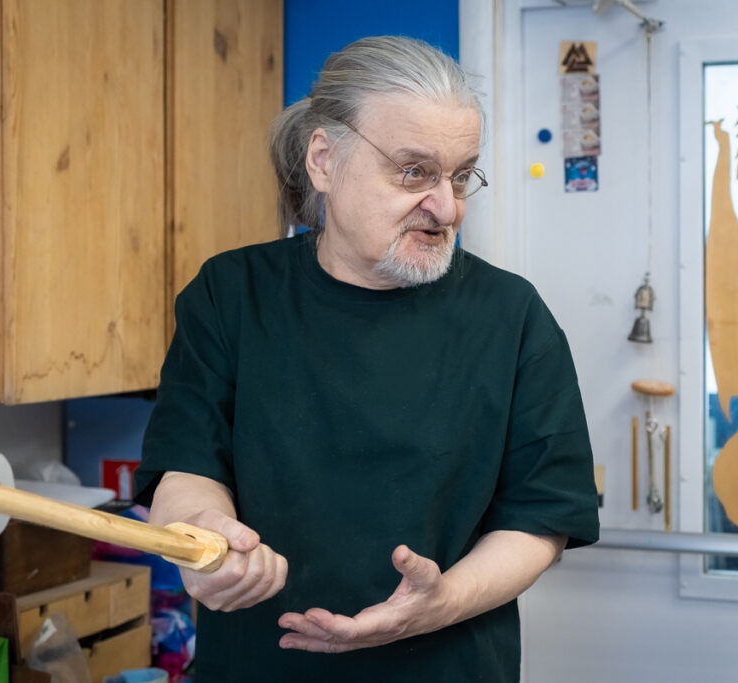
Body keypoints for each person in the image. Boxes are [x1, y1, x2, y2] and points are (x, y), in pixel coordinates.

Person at [134, 35, 599, 682]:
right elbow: (186, 465)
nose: (447, 207)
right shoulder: (231, 295)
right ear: (324, 160)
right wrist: (202, 538)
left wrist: (440, 603)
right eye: (414, 172)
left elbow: (542, 518)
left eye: (461, 175)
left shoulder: (512, 316)